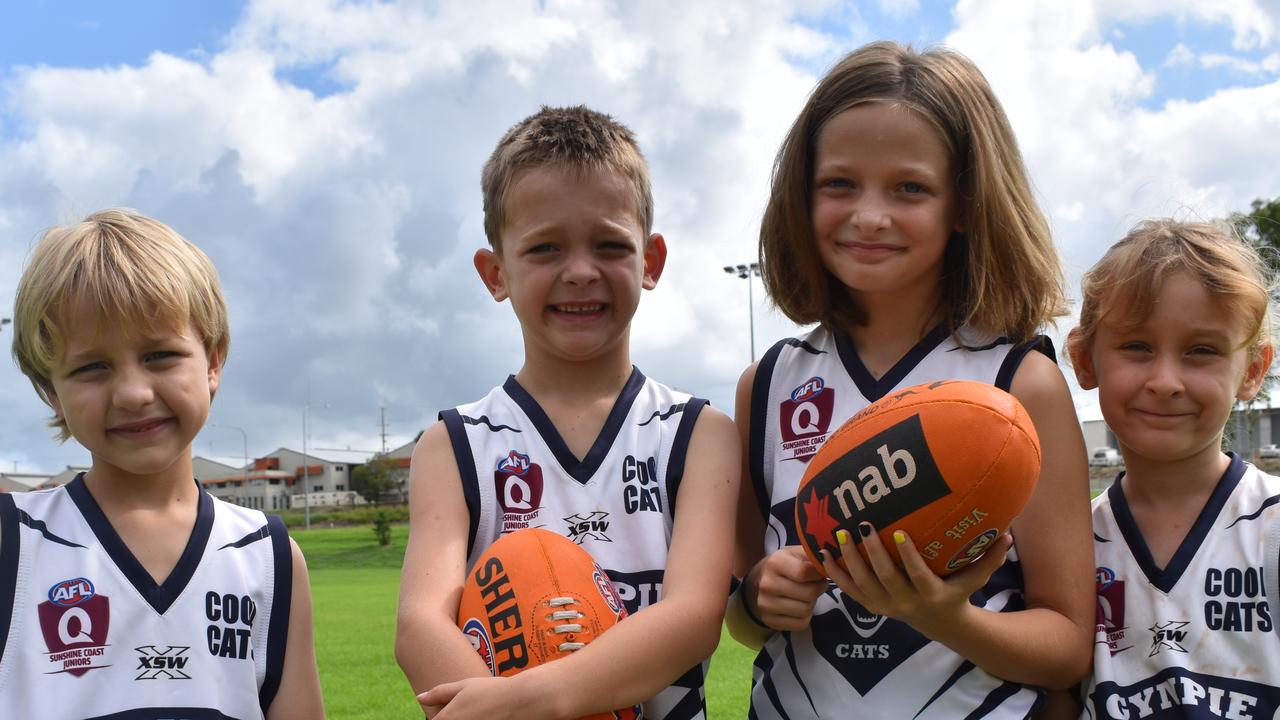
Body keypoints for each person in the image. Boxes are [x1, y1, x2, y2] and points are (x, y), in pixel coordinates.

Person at [726, 41, 1095, 717]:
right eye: (839, 183)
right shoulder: (769, 384)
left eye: (910, 188)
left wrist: (946, 615)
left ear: (964, 204)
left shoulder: (1021, 383)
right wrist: (756, 597)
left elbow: (1069, 644)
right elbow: (742, 620)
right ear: (802, 194)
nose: (870, 215)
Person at [394, 105, 739, 720]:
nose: (580, 272)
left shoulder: (699, 434)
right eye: (546, 248)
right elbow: (421, 623)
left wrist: (532, 704)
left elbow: (694, 617)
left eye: (609, 244)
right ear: (495, 272)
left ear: (651, 261)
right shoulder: (453, 445)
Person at [1, 209, 325, 720]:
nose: (133, 393)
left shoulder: (268, 555)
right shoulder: (14, 541)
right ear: (51, 391)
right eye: (91, 367)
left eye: (160, 356)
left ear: (213, 360)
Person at [1049, 219, 1280, 718]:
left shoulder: (1273, 528)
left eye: (1202, 351)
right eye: (1137, 346)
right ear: (1085, 361)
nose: (1166, 380)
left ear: (1254, 370)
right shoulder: (1066, 548)